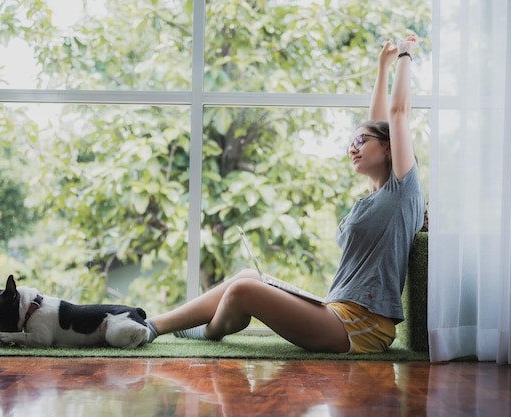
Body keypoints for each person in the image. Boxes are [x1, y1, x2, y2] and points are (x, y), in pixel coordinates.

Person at [145, 34, 426, 354]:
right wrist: (381, 66)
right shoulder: (375, 197)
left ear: (389, 148)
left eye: (361, 141)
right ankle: (152, 325)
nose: (352, 147)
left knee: (243, 291)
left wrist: (404, 56)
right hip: (336, 311)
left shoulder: (403, 193)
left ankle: (201, 332)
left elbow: (398, 114)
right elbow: (378, 124)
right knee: (248, 276)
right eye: (351, 141)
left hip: (363, 325)